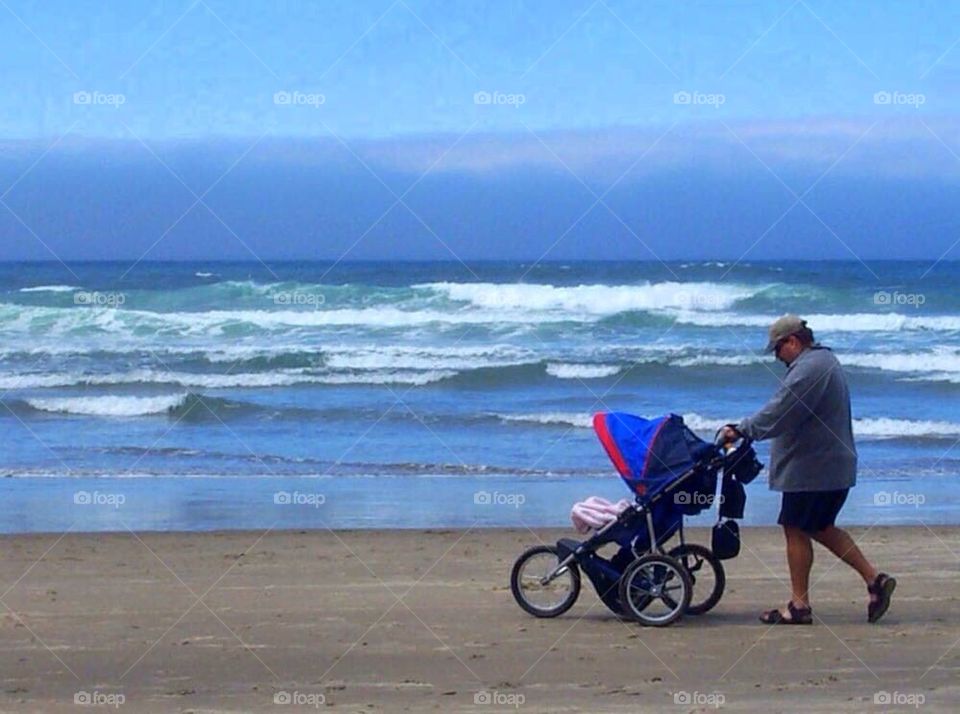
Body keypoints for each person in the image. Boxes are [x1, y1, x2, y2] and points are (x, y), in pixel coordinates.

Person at [721, 315, 896, 624]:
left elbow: (781, 410)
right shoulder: (824, 360)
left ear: (792, 341)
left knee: (796, 527)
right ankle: (874, 580)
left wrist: (742, 429)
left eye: (777, 350)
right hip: (829, 466)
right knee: (820, 527)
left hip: (815, 469)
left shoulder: (809, 369)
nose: (777, 358)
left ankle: (799, 606)